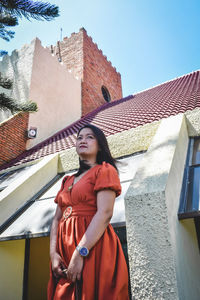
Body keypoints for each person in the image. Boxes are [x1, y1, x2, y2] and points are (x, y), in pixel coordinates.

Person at [47, 124, 129, 300]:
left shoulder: (104, 170)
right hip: (64, 252)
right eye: (79, 137)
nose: (83, 140)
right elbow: (56, 219)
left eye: (90, 137)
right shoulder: (66, 180)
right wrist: (53, 254)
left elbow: (105, 213)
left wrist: (80, 252)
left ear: (100, 145)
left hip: (93, 248)